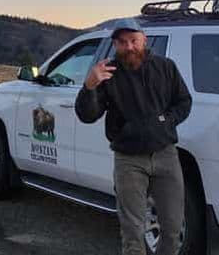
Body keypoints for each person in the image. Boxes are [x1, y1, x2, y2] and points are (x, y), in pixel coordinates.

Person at [74, 18, 192, 255]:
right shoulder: (107, 74)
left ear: (144, 40)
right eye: (123, 42)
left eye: (133, 41)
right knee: (133, 231)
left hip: (165, 155)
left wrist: (165, 121)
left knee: (172, 227)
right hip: (128, 160)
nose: (129, 47)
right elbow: (88, 115)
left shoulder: (165, 67)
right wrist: (89, 87)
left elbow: (184, 101)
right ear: (115, 44)